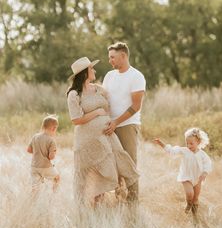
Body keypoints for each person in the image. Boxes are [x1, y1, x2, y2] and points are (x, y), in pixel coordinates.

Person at [66, 56, 139, 207]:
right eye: (91, 68)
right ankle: (89, 211)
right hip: (87, 141)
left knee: (109, 170)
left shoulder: (99, 89)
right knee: (91, 175)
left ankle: (113, 205)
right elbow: (76, 120)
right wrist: (96, 113)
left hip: (105, 138)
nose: (94, 70)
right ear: (84, 73)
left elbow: (110, 107)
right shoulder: (74, 94)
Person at [103, 42, 146, 203]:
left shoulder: (136, 76)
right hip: (109, 126)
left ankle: (133, 202)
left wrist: (116, 122)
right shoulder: (109, 76)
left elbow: (136, 106)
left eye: (112, 57)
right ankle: (119, 198)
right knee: (114, 164)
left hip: (127, 125)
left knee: (129, 163)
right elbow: (104, 99)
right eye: (109, 58)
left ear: (123, 56)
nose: (110, 61)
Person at [154, 128, 212, 215]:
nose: (189, 146)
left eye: (191, 143)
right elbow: (172, 151)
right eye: (187, 143)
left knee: (195, 198)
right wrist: (162, 144)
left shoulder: (202, 154)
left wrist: (205, 173)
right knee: (190, 194)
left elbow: (208, 164)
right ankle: (188, 203)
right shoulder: (184, 150)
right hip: (186, 177)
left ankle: (194, 215)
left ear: (198, 142)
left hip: (197, 179)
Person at [27, 115, 60, 193]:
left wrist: (37, 152)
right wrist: (54, 152)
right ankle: (54, 195)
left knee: (35, 188)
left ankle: (31, 202)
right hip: (45, 167)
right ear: (53, 128)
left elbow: (29, 150)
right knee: (57, 178)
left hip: (34, 167)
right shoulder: (51, 141)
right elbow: (51, 157)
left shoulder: (35, 137)